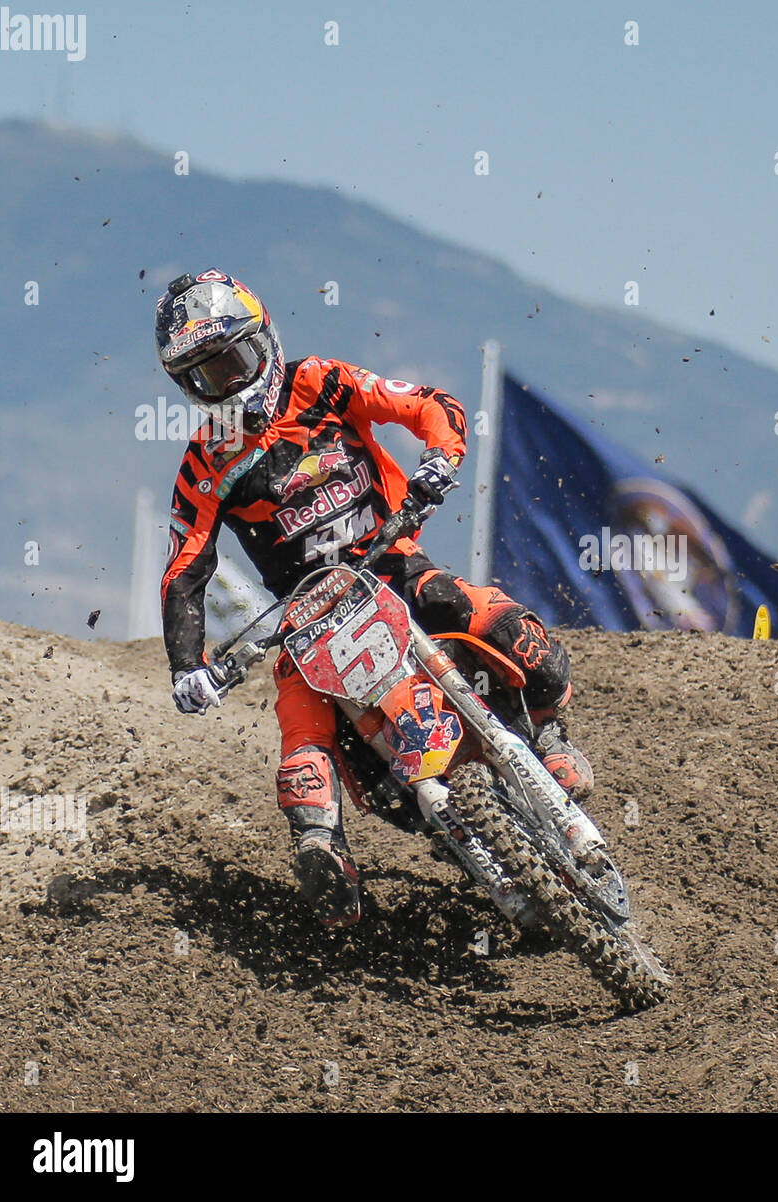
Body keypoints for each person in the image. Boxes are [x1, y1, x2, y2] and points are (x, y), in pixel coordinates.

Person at [156, 269, 592, 928]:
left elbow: (427, 404)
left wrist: (439, 460)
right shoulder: (205, 462)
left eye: (233, 361)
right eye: (205, 377)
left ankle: (548, 726)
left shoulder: (322, 382)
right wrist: (187, 665)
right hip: (306, 616)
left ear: (263, 338)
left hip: (391, 562)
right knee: (302, 726)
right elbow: (185, 567)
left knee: (482, 616)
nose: (229, 384)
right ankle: (324, 849)